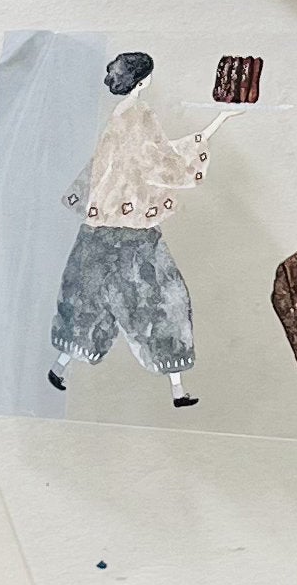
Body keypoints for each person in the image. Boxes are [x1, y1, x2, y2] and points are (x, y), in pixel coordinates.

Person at [46, 51, 216, 406]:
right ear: (143, 80)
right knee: (164, 302)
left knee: (89, 301)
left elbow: (108, 167)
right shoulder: (138, 115)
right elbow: (159, 162)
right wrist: (212, 130)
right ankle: (177, 390)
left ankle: (59, 368)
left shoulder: (118, 117)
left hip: (99, 228)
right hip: (133, 232)